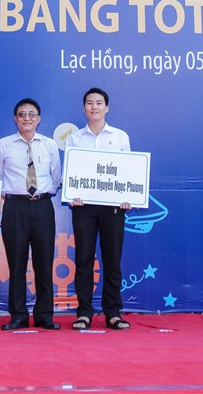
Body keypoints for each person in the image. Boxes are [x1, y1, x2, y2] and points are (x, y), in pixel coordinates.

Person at [0, 98, 62, 330]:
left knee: (44, 262)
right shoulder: (4, 145)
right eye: (22, 114)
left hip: (42, 206)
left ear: (39, 119)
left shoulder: (49, 145)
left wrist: (43, 194)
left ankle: (44, 315)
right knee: (16, 263)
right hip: (15, 207)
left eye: (31, 114)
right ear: (15, 119)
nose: (27, 118)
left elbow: (55, 177)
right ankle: (18, 315)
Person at [66, 87, 131, 330]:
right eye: (90, 103)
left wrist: (127, 197)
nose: (94, 107)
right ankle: (84, 312)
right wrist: (72, 194)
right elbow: (71, 172)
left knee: (112, 260)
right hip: (83, 207)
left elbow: (128, 172)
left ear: (107, 108)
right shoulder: (75, 138)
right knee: (83, 260)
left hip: (113, 208)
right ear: (84, 108)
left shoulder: (120, 137)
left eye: (99, 102)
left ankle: (113, 312)